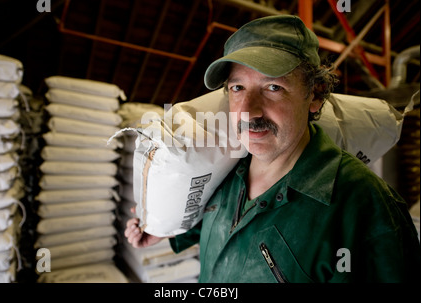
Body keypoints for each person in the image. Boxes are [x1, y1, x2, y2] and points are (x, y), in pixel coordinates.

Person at [125, 15, 421, 282]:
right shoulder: (226, 172)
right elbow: (227, 229)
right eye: (237, 88)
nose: (249, 112)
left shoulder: (366, 208)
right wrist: (161, 233)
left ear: (315, 96)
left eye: (273, 88)